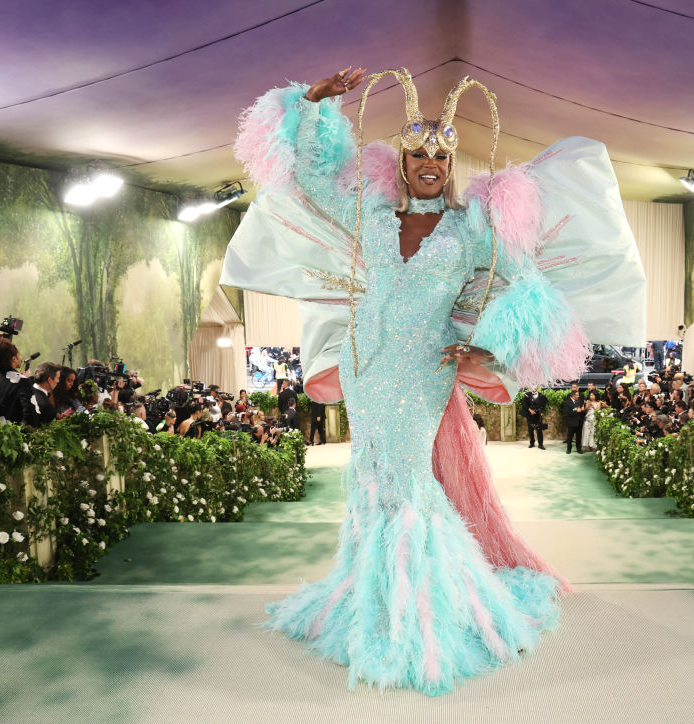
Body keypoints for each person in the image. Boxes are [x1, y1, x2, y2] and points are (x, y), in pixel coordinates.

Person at [221, 65, 643, 695]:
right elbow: (310, 177)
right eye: (415, 153)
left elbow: (526, 284)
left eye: (438, 157)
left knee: (407, 483)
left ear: (450, 166)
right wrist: (313, 104)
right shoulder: (368, 213)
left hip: (422, 375)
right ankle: (376, 602)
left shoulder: (472, 228)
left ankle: (426, 618)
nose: (427, 164)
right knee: (370, 480)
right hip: (364, 367)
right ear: (402, 162)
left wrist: (490, 351)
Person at [24, 362, 60, 427]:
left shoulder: (25, 389)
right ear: (49, 380)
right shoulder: (46, 406)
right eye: (57, 378)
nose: (58, 381)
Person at [561, 388, 583, 454]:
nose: (578, 396)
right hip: (571, 422)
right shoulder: (567, 402)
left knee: (579, 437)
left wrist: (582, 409)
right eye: (577, 395)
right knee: (570, 437)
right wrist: (575, 410)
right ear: (573, 395)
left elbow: (580, 409)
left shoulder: (578, 401)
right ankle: (568, 449)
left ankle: (579, 449)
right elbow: (568, 412)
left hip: (579, 422)